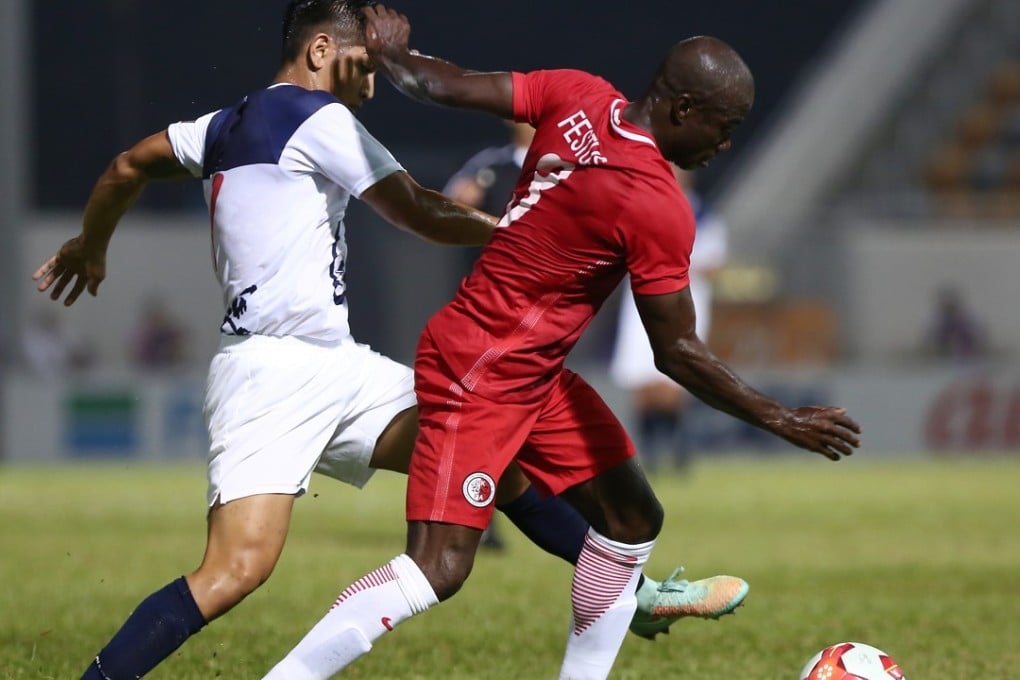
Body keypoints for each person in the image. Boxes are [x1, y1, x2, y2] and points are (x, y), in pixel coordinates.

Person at [32, 2, 735, 678]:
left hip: (337, 368)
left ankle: (630, 593)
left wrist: (92, 248)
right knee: (232, 573)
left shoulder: (220, 125)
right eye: (364, 66)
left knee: (499, 455)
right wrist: (516, 234)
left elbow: (127, 164)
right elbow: (417, 209)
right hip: (272, 376)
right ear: (319, 52)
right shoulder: (319, 117)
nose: (372, 85)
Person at [263, 6, 862, 680]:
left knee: (632, 517)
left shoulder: (578, 93)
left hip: (531, 370)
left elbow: (449, 83)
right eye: (724, 130)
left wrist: (397, 56)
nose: (724, 146)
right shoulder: (656, 203)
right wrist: (779, 416)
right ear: (684, 107)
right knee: (439, 567)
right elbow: (678, 352)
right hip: (481, 366)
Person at [440, 120, 537, 550]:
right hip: (489, 310)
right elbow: (450, 203)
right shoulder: (492, 164)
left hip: (540, 314)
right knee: (486, 417)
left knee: (524, 422)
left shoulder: (564, 167)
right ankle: (477, 520)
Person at [609, 167, 728, 471]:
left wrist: (677, 267)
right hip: (642, 301)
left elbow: (714, 265)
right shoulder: (643, 207)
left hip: (684, 302)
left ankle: (677, 451)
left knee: (676, 378)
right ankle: (649, 454)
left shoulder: (702, 216)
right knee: (641, 376)